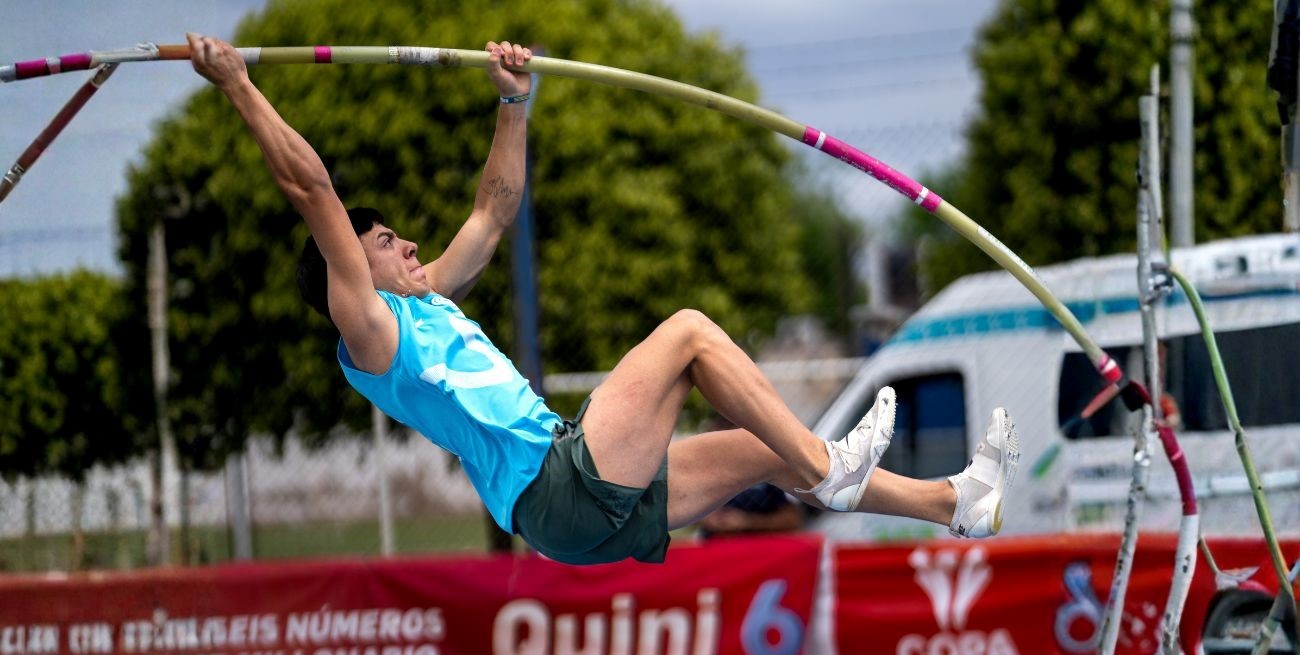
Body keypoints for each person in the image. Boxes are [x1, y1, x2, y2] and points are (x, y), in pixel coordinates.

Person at [187, 33, 1020, 565]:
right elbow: (310, 187)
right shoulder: (370, 334)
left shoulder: (427, 297)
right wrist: (238, 84)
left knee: (762, 444)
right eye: (384, 242)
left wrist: (513, 102)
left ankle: (954, 503)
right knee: (690, 334)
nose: (408, 245)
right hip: (557, 484)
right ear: (347, 273)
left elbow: (492, 210)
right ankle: (824, 469)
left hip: (580, 505)